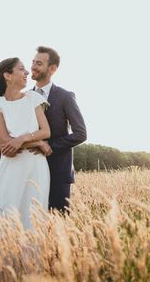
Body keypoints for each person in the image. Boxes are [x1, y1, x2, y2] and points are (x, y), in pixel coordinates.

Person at [0, 57, 52, 230]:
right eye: (21, 69)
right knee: (6, 212)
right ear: (7, 75)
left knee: (33, 215)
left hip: (36, 167)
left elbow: (46, 131)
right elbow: (5, 144)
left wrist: (22, 139)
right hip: (12, 166)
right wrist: (38, 144)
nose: (27, 72)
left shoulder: (33, 98)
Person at [29, 46, 87, 213]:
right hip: (30, 172)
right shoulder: (25, 98)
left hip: (58, 173)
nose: (33, 66)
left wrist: (50, 146)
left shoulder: (65, 97)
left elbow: (81, 133)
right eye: (33, 62)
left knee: (57, 227)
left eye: (38, 63)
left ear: (52, 69)